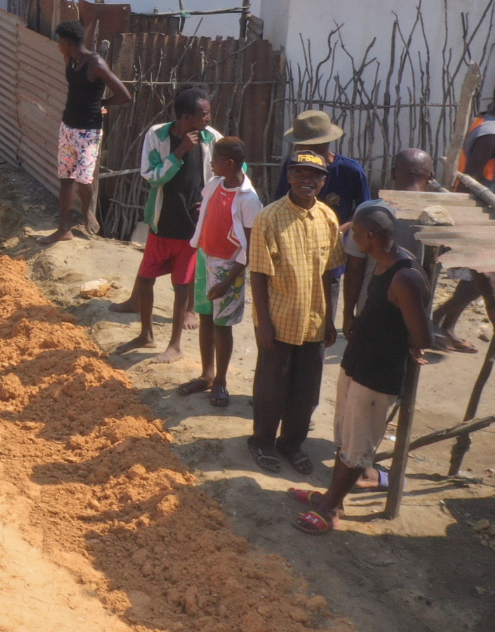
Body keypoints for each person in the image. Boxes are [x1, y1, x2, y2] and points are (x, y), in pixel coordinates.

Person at [291, 204, 431, 534]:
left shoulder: (405, 276)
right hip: (358, 361)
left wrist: (409, 345)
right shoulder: (384, 264)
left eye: (355, 234)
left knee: (356, 445)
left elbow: (423, 333)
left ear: (370, 236)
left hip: (377, 372)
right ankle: (332, 498)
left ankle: (329, 510)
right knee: (346, 436)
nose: (352, 239)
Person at [247, 149, 345, 476]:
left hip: (315, 321)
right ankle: (261, 441)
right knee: (272, 386)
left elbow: (331, 275)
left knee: (306, 391)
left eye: (314, 175)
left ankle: (291, 443)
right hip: (278, 319)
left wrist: (331, 318)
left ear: (323, 181)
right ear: (289, 176)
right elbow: (259, 274)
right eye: (300, 173)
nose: (307, 179)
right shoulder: (269, 217)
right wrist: (263, 323)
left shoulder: (328, 218)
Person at [113, 86, 218, 361]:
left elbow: (234, 171)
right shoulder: (158, 135)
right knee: (146, 280)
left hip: (191, 226)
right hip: (163, 221)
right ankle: (146, 334)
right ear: (187, 117)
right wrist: (180, 152)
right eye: (203, 114)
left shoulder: (212, 139)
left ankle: (175, 345)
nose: (209, 118)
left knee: (182, 286)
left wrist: (209, 199)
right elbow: (152, 176)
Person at [183, 136, 263, 406]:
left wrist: (229, 281)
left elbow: (249, 247)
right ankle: (207, 374)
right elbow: (210, 210)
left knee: (222, 324)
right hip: (206, 259)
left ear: (229, 164)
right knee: (206, 317)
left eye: (215, 159)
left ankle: (221, 381)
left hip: (229, 268)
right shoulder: (215, 184)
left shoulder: (249, 200)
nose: (211, 162)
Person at [47, 20, 132, 243]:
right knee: (66, 178)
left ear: (66, 42)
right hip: (67, 126)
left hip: (88, 131)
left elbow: (125, 95)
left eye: (59, 43)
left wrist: (105, 104)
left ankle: (87, 211)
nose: (58, 47)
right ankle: (64, 229)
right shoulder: (71, 59)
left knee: (84, 180)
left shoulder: (96, 64)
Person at [435, 115, 495, 352]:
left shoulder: (484, 124)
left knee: (477, 279)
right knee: (481, 279)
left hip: (481, 210)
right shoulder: (490, 134)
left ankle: (445, 326)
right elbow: (470, 179)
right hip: (476, 212)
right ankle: (437, 320)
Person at [272, 110, 372, 223]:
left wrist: (340, 231)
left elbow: (364, 209)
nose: (298, 150)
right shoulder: (293, 164)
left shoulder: (351, 170)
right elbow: (281, 201)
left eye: (301, 146)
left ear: (323, 145)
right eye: (298, 146)